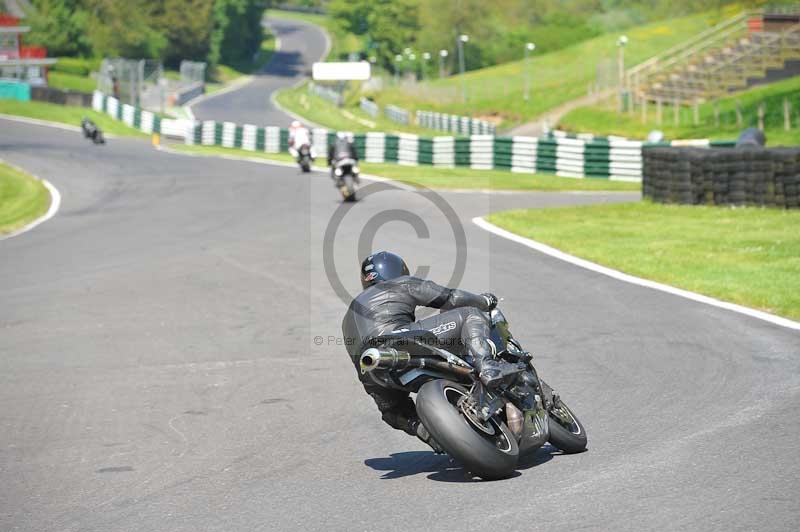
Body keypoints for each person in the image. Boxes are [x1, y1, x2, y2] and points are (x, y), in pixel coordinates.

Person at [341, 251, 500, 452]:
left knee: (393, 410)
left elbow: (390, 410)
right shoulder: (400, 283)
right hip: (399, 340)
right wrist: (484, 301)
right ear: (399, 270)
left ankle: (427, 432)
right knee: (469, 314)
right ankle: (487, 367)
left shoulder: (347, 318)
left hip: (372, 372)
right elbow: (450, 297)